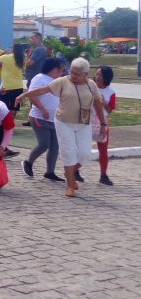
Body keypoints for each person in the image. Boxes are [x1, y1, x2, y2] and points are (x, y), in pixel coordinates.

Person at [16, 57, 107, 198]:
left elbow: (97, 104)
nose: (73, 75)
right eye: (72, 72)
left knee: (84, 154)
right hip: (63, 122)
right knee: (68, 152)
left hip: (84, 123)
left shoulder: (91, 85)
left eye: (77, 74)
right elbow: (43, 90)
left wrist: (103, 123)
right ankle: (70, 184)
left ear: (85, 74)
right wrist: (24, 95)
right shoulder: (62, 81)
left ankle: (69, 171)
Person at [21, 57, 65, 181]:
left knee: (55, 146)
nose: (62, 72)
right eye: (61, 69)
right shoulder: (39, 78)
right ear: (54, 69)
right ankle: (28, 162)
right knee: (44, 143)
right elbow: (32, 95)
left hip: (55, 119)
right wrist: (42, 109)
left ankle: (50, 172)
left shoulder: (58, 81)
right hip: (39, 117)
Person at [92, 65, 116, 186]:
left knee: (103, 150)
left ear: (106, 77)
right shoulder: (90, 86)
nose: (98, 77)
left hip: (101, 122)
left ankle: (103, 175)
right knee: (81, 147)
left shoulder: (110, 92)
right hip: (87, 120)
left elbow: (110, 110)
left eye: (100, 75)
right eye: (97, 74)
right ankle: (75, 171)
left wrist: (104, 103)